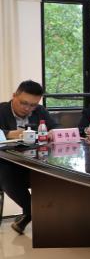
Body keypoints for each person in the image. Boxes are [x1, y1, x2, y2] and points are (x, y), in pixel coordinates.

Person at [0, 80, 53, 234]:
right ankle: (34, 212)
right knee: (7, 172)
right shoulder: (1, 110)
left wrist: (52, 132)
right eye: (24, 103)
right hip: (5, 164)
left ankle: (36, 215)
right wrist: (9, 134)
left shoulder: (40, 111)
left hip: (31, 163)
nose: (28, 108)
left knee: (54, 175)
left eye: (33, 105)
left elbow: (55, 126)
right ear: (14, 96)